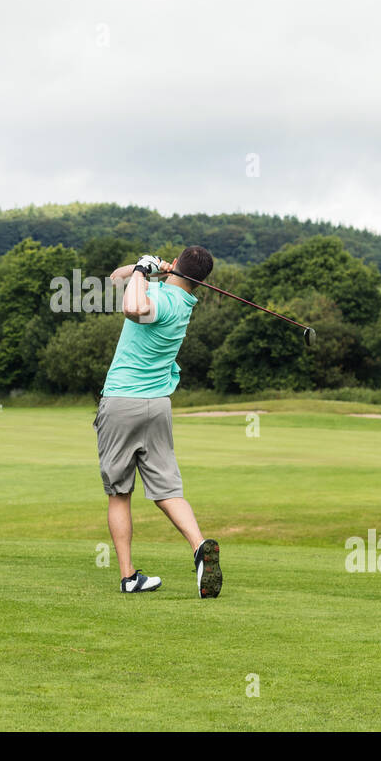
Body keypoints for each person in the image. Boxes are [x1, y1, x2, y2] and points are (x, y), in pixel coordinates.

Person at [95, 246, 222, 597]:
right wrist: (142, 269)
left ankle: (128, 576)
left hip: (122, 401)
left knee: (119, 492)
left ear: (178, 264)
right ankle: (199, 548)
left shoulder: (161, 301)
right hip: (157, 407)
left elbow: (133, 306)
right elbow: (115, 279)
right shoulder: (182, 302)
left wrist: (141, 272)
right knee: (167, 490)